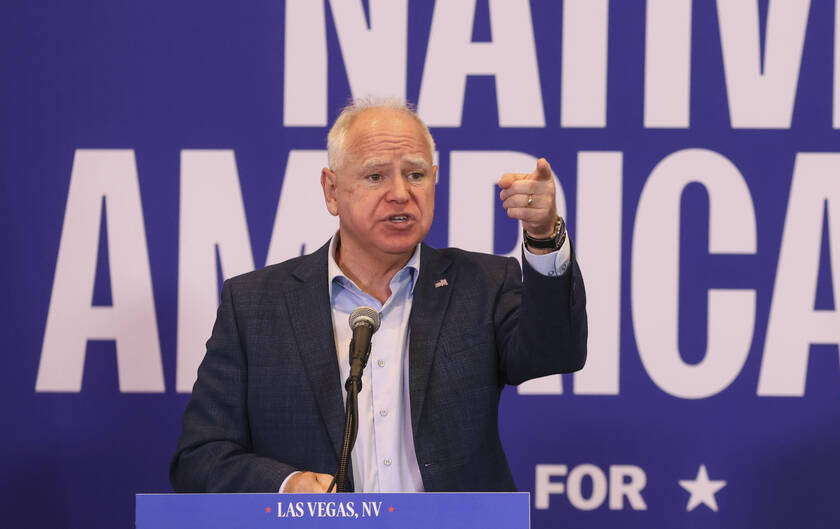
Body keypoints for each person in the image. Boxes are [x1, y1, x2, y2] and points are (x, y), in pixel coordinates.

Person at [169, 98, 586, 493]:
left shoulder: (482, 284)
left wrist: (544, 238)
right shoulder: (255, 306)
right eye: (375, 176)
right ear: (331, 191)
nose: (401, 193)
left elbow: (557, 352)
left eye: (416, 175)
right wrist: (287, 486)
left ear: (435, 180)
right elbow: (199, 458)